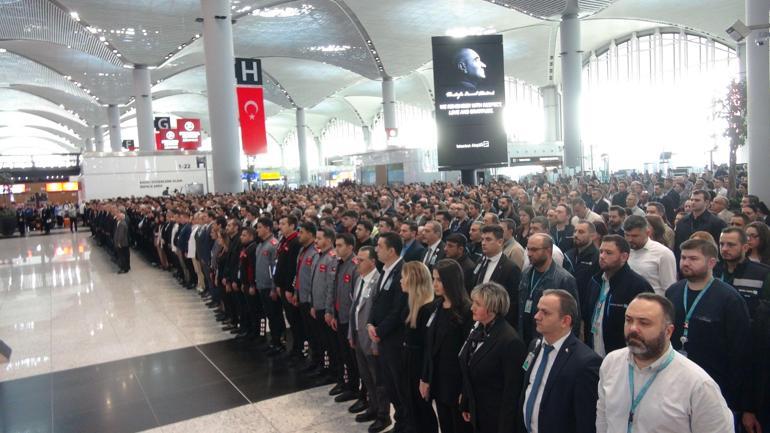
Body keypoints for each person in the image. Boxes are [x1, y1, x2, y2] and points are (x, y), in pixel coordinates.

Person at [596, 293, 734, 433]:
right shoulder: (611, 363)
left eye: (644, 323)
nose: (632, 328)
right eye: (629, 320)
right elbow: (602, 420)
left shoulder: (698, 385)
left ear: (668, 331)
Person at [665, 238, 750, 412]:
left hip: (715, 384)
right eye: (683, 258)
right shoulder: (673, 291)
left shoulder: (729, 299)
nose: (686, 263)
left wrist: (740, 403)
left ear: (711, 262)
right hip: (675, 382)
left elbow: (740, 352)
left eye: (693, 259)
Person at [518, 289, 601, 433]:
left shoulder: (585, 362)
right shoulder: (534, 346)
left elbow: (585, 420)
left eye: (545, 313)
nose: (537, 316)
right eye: (538, 310)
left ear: (565, 321)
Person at [714, 227, 770, 431]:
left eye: (731, 244)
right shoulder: (714, 271)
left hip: (751, 351)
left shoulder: (762, 274)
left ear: (745, 247)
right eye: (721, 244)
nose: (725, 249)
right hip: (718, 351)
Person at [459, 282, 526, 433]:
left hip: (495, 419)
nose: (472, 307)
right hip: (477, 412)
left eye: (477, 304)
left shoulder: (510, 341)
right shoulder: (479, 329)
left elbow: (511, 392)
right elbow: (468, 366)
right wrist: (466, 402)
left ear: (492, 308)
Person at [421, 259, 472, 433]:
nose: (434, 284)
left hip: (456, 383)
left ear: (451, 281)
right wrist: (425, 377)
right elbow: (429, 347)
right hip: (438, 379)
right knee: (445, 424)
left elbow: (469, 355)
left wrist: (464, 391)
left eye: (439, 280)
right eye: (433, 279)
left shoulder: (467, 311)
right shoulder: (436, 306)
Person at [368, 232, 411, 433]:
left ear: (391, 250)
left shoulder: (403, 271)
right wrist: (370, 323)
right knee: (388, 383)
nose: (376, 249)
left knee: (398, 384)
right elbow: (377, 301)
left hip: (394, 338)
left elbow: (398, 309)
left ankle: (404, 423)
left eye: (379, 246)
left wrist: (379, 330)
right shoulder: (384, 269)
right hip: (382, 336)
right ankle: (399, 421)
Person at [585, 235, 653, 356]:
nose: (602, 256)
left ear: (624, 257)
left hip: (623, 356)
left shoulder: (638, 286)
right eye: (601, 251)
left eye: (609, 253)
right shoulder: (595, 281)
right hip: (594, 352)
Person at [348, 246, 390, 432]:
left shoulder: (378, 281)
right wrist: (351, 332)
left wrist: (375, 342)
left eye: (361, 260)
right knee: (365, 376)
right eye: (357, 259)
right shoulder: (359, 279)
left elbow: (377, 316)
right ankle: (372, 406)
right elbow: (354, 308)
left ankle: (383, 414)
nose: (357, 262)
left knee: (378, 380)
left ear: (372, 262)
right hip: (358, 335)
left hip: (371, 339)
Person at [519, 233, 579, 345]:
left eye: (534, 250)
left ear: (548, 251)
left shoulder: (564, 279)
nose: (529, 254)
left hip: (548, 339)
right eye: (528, 249)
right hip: (524, 337)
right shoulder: (526, 273)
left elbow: (573, 320)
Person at [401, 261, 439, 433]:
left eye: (403, 277)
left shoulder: (427, 309)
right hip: (409, 359)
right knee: (411, 405)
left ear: (413, 279)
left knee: (421, 407)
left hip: (419, 364)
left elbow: (428, 347)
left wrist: (425, 377)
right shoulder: (411, 303)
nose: (401, 280)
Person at [326, 232, 361, 402]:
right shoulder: (338, 263)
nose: (336, 249)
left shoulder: (355, 266)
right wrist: (332, 312)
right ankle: (346, 383)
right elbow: (333, 289)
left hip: (350, 319)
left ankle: (355, 387)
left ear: (350, 247)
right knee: (342, 353)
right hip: (339, 315)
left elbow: (356, 298)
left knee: (352, 356)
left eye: (340, 245)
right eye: (336, 245)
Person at [471, 224, 521, 326]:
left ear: (500, 242)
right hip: (477, 317)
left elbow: (512, 303)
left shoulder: (510, 268)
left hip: (495, 322)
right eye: (483, 239)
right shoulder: (481, 260)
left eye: (488, 239)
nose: (483, 243)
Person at [274, 215, 304, 360]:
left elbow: (293, 268)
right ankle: (295, 347)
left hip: (288, 288)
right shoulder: (284, 240)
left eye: (284, 224)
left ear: (292, 226)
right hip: (282, 286)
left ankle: (299, 349)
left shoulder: (295, 242)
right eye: (280, 223)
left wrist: (289, 289)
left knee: (295, 320)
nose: (280, 226)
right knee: (291, 319)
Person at [623, 215, 677, 296]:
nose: (630, 240)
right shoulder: (623, 250)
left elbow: (669, 288)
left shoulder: (663, 253)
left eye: (635, 236)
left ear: (648, 233)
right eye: (627, 235)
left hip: (652, 305)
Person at [255, 218, 284, 353]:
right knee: (269, 314)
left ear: (267, 228)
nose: (257, 230)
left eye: (260, 227)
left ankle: (278, 341)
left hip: (269, 286)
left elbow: (275, 268)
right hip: (261, 284)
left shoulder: (273, 244)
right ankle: (273, 339)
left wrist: (273, 287)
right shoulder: (260, 244)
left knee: (275, 315)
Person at [674, 189, 726, 261]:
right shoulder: (682, 222)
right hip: (684, 263)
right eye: (692, 200)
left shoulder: (717, 223)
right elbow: (677, 246)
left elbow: (719, 248)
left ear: (706, 202)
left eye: (697, 200)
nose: (693, 202)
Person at [565, 220, 600, 311]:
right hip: (566, 305)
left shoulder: (597, 258)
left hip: (584, 308)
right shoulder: (568, 255)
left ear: (592, 236)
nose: (576, 235)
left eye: (581, 232)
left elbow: (595, 290)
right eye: (575, 231)